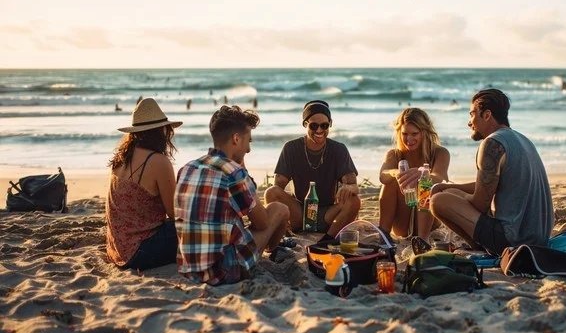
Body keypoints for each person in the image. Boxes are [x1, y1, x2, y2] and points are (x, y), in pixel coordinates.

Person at [175, 106, 291, 285]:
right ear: (236, 139)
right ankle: (272, 250)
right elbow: (263, 222)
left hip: (190, 269)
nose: (249, 149)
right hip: (225, 270)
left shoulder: (187, 168)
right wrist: (242, 170)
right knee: (279, 209)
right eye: (248, 141)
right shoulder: (233, 173)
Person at [430, 89, 553, 254]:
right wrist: (451, 186)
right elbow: (490, 185)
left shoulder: (492, 143)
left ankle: (480, 247)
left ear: (487, 115)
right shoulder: (522, 139)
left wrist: (452, 193)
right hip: (540, 238)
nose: (469, 122)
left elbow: (480, 204)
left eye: (472, 114)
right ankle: (482, 243)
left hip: (513, 241)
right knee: (449, 192)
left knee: (438, 201)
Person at [265, 100, 360, 241]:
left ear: (330, 124)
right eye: (314, 125)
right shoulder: (291, 148)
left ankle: (328, 239)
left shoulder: (338, 149)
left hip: (328, 213)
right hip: (299, 213)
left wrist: (347, 187)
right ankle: (284, 234)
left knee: (354, 201)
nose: (319, 130)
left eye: (324, 125)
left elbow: (354, 186)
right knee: (271, 192)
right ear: (305, 124)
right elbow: (278, 187)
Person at [105, 98, 180, 270]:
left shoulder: (122, 157)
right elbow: (175, 214)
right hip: (140, 252)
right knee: (200, 227)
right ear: (161, 131)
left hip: (117, 249)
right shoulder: (158, 161)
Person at [378, 107, 450, 239]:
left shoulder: (440, 153)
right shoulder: (394, 154)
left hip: (429, 222)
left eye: (414, 134)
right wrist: (397, 173)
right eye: (405, 134)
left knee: (426, 183)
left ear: (424, 132)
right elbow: (383, 175)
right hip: (403, 222)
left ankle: (422, 241)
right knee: (389, 182)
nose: (409, 139)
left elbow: (440, 178)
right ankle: (383, 234)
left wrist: (422, 174)